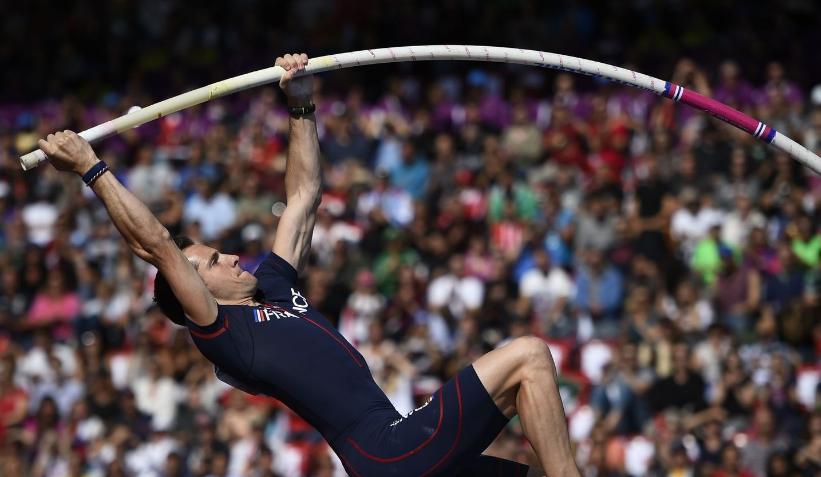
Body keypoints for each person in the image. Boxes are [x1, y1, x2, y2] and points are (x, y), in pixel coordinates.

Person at [36, 53, 580, 477]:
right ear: (193, 290)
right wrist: (92, 168)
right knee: (530, 355)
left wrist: (300, 105)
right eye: (209, 262)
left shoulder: (272, 285)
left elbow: (303, 197)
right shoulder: (225, 331)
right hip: (388, 455)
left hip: (398, 440)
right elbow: (155, 243)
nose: (228, 255)